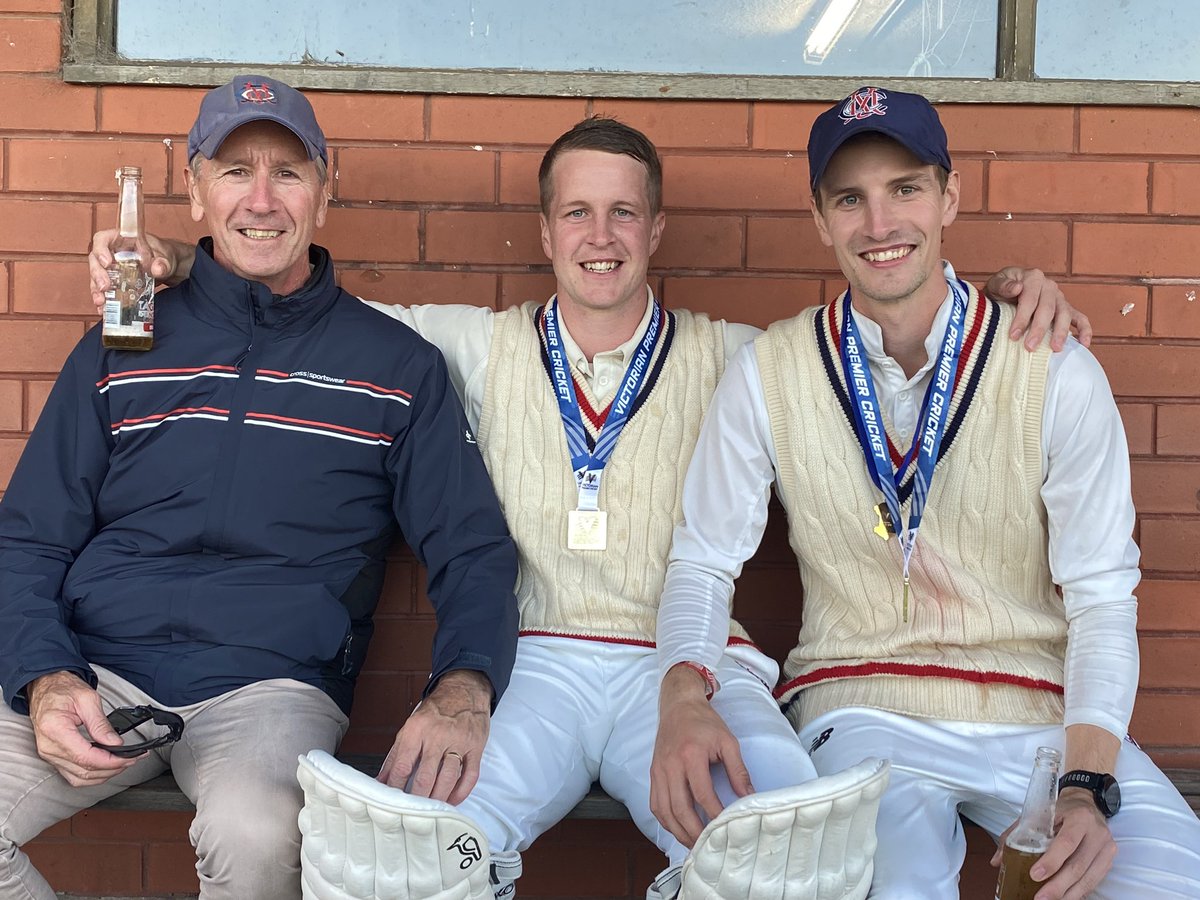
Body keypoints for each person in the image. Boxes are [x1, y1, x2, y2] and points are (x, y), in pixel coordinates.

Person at [88, 115, 1086, 899]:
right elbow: (300, 296)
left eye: (621, 214)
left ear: (654, 228)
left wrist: (1005, 296)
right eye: (576, 212)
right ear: (545, 229)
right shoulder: (473, 345)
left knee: (797, 856)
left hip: (687, 664)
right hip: (538, 662)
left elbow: (885, 338)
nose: (599, 238)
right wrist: (183, 256)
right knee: (403, 862)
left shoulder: (740, 356)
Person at [651, 85, 1200, 899]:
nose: (879, 224)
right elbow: (703, 564)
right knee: (897, 886)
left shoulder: (1053, 366)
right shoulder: (769, 370)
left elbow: (1101, 600)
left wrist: (1085, 785)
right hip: (863, 705)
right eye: (851, 199)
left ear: (949, 196)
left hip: (1039, 719)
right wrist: (679, 695)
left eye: (905, 188)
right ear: (820, 218)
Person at [0, 74, 519, 900]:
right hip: (96, 672)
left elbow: (473, 547)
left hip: (269, 688)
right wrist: (45, 676)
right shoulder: (122, 345)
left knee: (260, 835)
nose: (263, 199)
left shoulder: (394, 366)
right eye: (236, 171)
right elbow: (27, 535)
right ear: (197, 192)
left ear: (325, 189)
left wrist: (465, 683)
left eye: (289, 171)